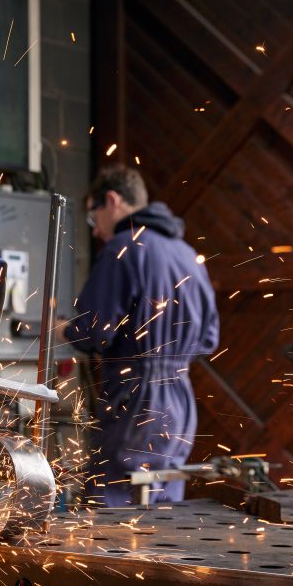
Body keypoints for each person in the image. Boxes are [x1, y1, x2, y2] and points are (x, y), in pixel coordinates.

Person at [62, 165, 219, 507]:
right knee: (162, 507)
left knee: (111, 510)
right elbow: (208, 339)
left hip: (137, 401)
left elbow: (92, 331)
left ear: (112, 200)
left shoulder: (125, 246)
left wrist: (60, 328)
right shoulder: (188, 255)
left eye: (94, 219)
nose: (97, 232)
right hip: (180, 400)